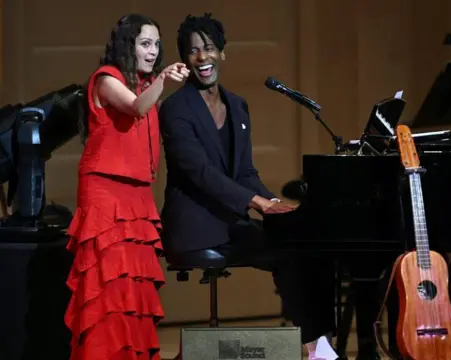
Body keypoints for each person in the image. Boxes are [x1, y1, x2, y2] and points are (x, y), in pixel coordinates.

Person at [159, 13, 339, 360]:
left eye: (209, 48)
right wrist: (258, 203)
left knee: (308, 246)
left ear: (222, 53)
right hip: (195, 225)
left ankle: (321, 340)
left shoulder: (238, 106)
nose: (202, 58)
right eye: (193, 51)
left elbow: (244, 171)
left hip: (230, 220)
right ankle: (314, 347)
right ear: (185, 59)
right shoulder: (175, 109)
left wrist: (273, 203)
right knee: (287, 254)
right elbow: (200, 172)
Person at [64, 14, 189, 360]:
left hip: (137, 196)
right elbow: (136, 108)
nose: (152, 51)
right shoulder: (107, 79)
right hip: (105, 192)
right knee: (107, 287)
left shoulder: (146, 87)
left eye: (156, 44)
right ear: (127, 45)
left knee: (133, 288)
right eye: (144, 43)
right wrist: (163, 79)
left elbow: (149, 109)